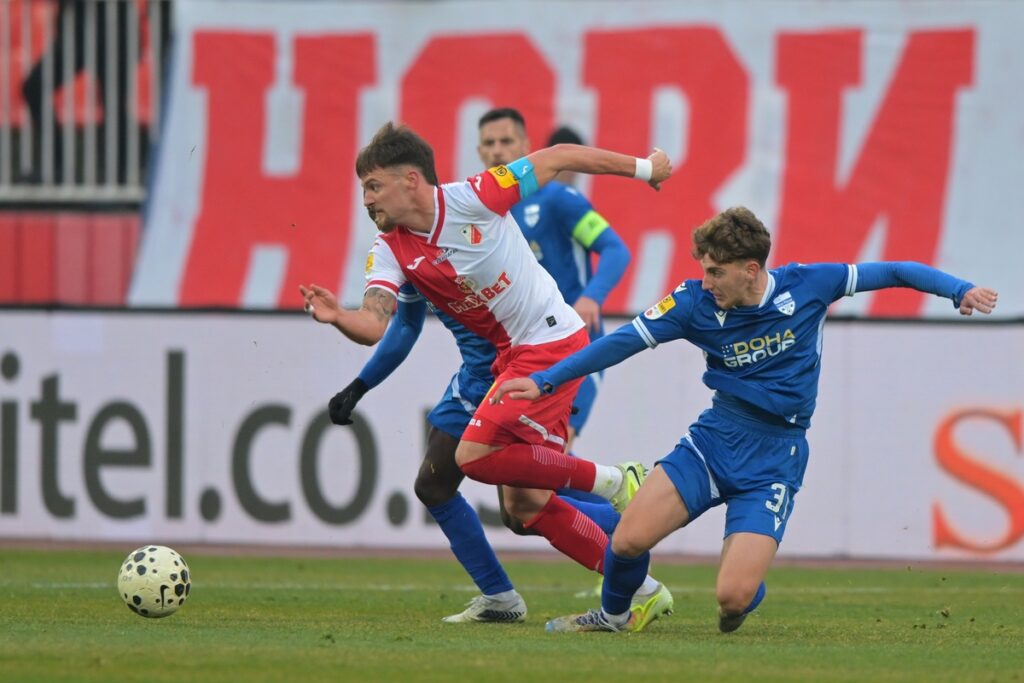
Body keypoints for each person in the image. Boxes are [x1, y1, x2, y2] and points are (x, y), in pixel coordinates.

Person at [490, 206, 999, 633]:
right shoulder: (692, 304)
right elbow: (620, 343)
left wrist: (958, 289)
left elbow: (894, 271)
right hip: (715, 440)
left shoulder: (808, 285)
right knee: (626, 540)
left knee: (732, 598)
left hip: (776, 457)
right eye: (704, 270)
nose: (705, 281)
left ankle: (743, 580)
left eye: (716, 271)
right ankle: (614, 615)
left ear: (750, 269)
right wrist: (546, 380)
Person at [301, 121, 674, 630]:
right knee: (524, 506)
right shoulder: (389, 248)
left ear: (411, 180)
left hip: (550, 342)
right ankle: (640, 591)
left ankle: (615, 481)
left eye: (372, 185)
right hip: (507, 359)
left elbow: (560, 154)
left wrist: (646, 168)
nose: (365, 199)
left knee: (472, 458)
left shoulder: (477, 195)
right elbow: (376, 323)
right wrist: (339, 318)